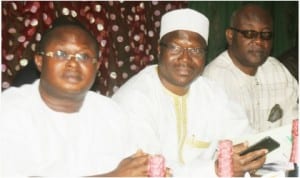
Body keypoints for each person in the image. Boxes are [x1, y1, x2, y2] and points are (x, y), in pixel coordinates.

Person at [112, 8, 267, 177]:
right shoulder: (135, 98)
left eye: (195, 50)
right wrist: (216, 170)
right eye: (175, 48)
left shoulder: (211, 92)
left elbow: (244, 136)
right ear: (159, 49)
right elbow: (151, 169)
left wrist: (249, 158)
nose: (185, 58)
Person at [0, 16, 151, 177]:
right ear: (39, 61)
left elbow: (131, 168)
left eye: (84, 57)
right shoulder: (10, 110)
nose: (73, 63)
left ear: (97, 66)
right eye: (60, 54)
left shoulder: (111, 112)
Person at [203, 4, 298, 132]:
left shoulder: (277, 69)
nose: (258, 41)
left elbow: (295, 121)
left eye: (265, 34)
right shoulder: (216, 79)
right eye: (249, 33)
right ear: (230, 36)